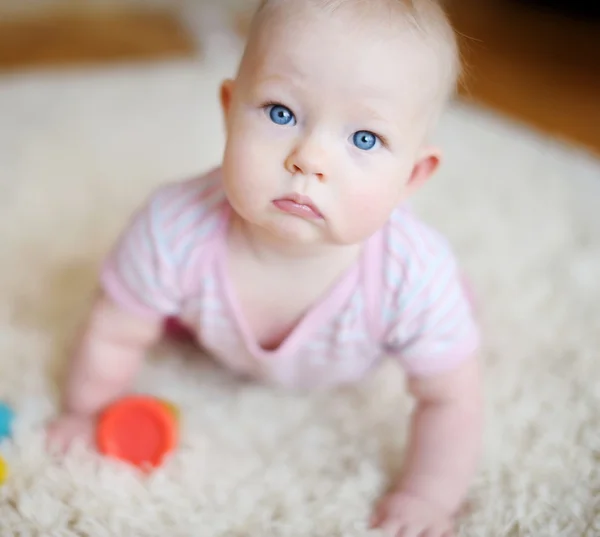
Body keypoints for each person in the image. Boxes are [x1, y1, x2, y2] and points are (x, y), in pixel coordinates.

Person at [48, 1, 483, 535]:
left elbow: (451, 399)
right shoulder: (172, 229)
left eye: (364, 138)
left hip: (365, 342)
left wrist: (427, 497)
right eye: (281, 112)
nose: (309, 158)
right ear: (230, 110)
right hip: (208, 317)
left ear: (412, 177)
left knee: (455, 329)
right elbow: (114, 328)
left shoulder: (412, 276)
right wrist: (84, 410)